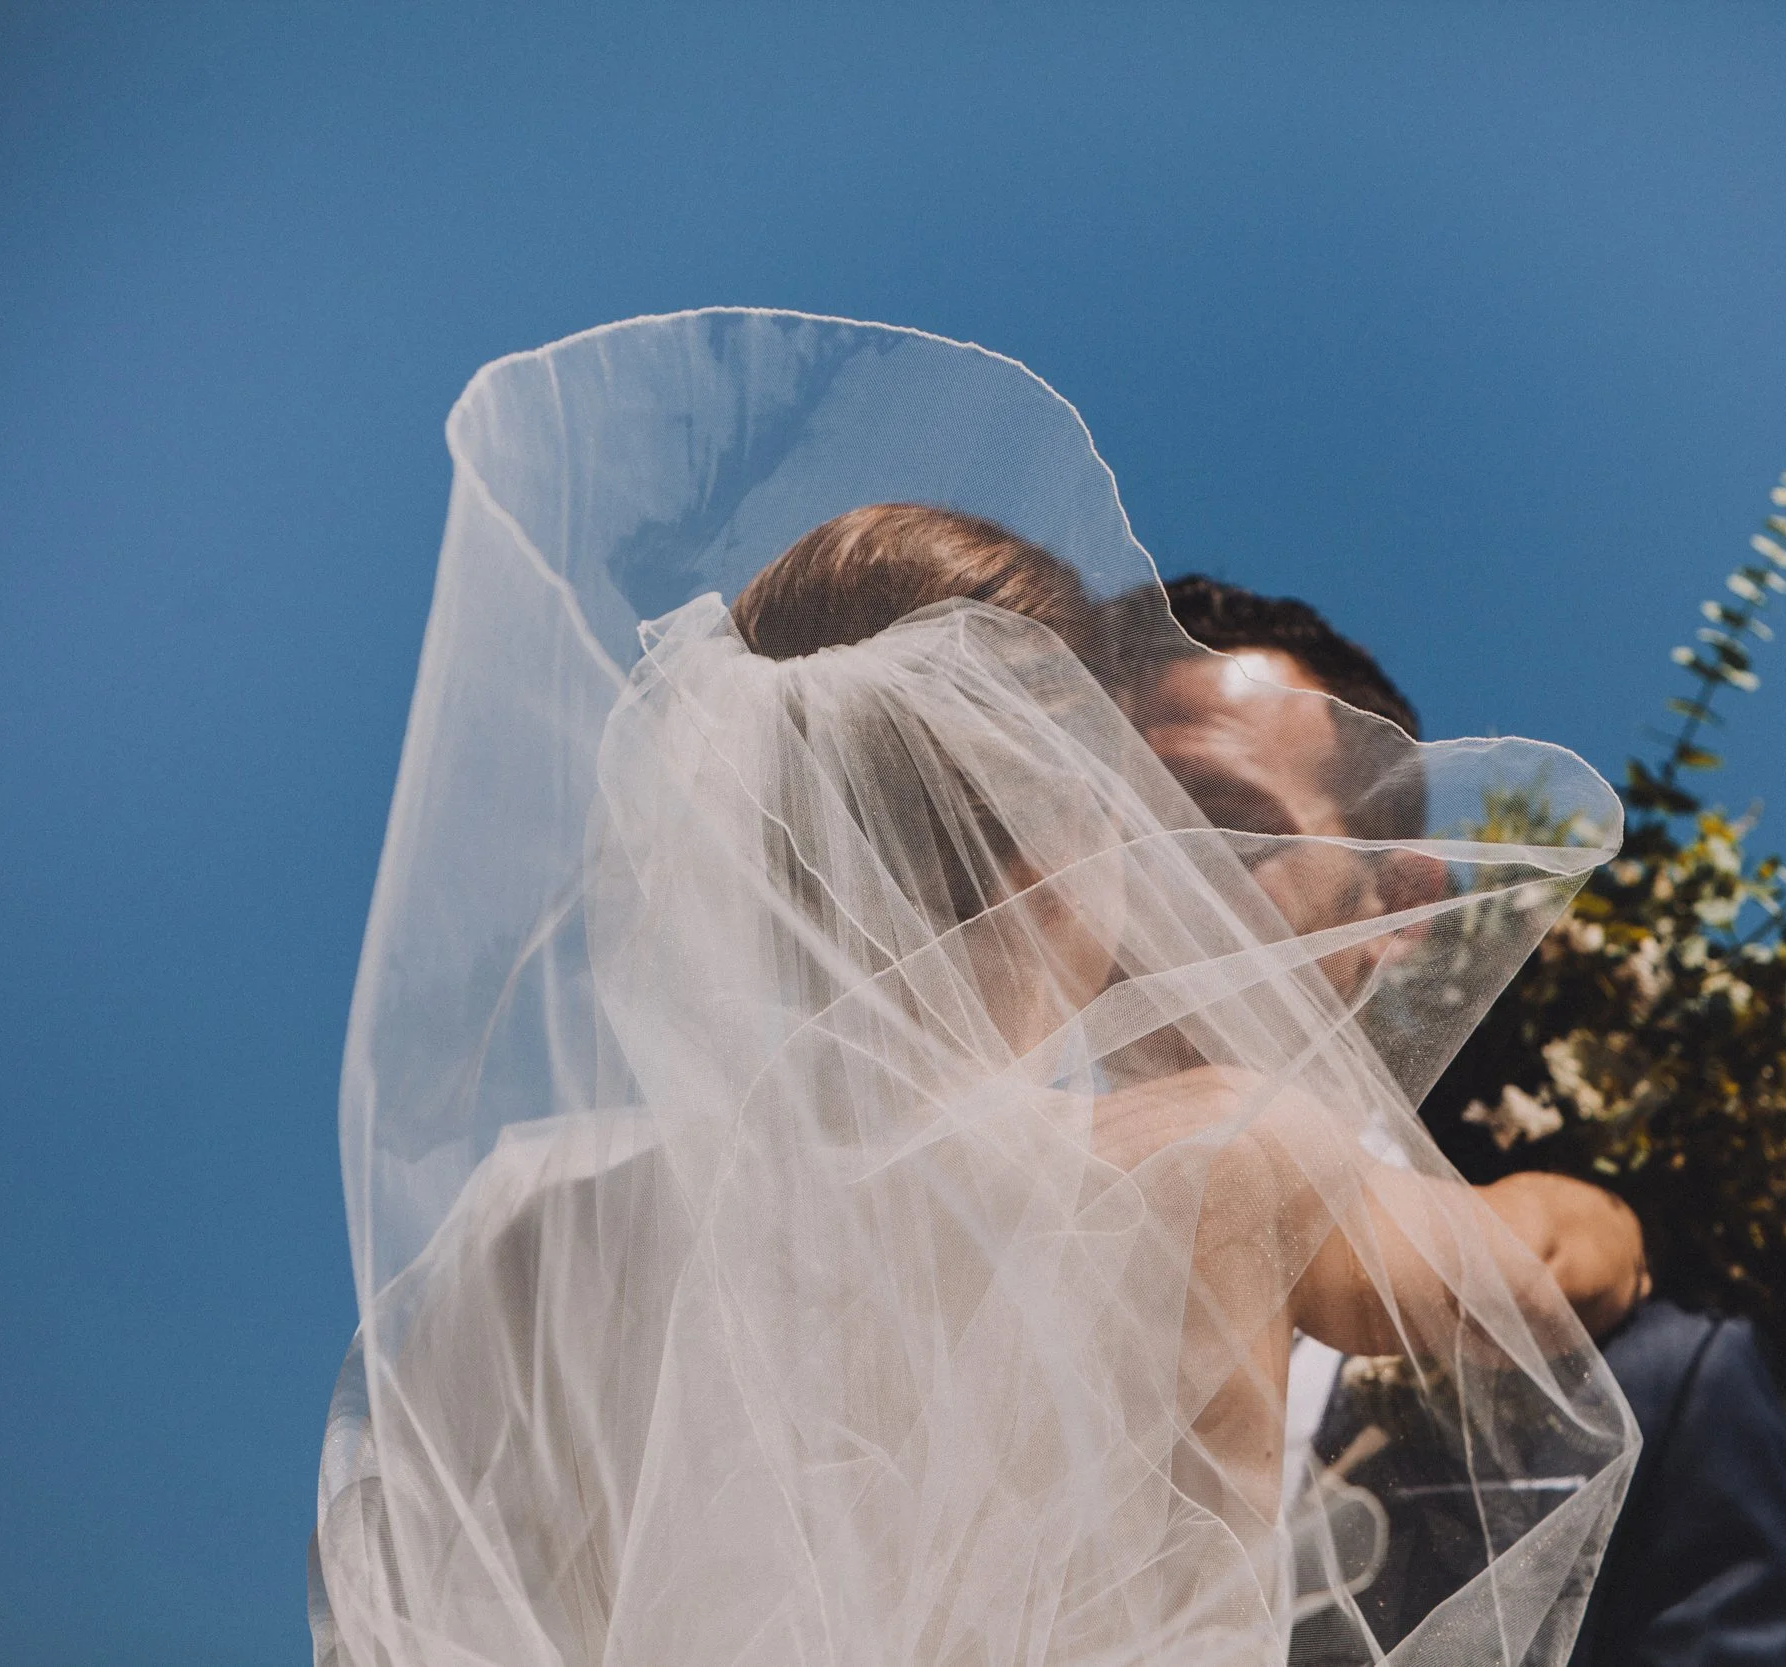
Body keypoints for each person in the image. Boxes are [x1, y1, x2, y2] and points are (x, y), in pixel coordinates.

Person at [313, 310, 1638, 1667]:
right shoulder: (1215, 1156)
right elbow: (1525, 1286)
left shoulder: (526, 1232)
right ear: (1071, 835)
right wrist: (1570, 1201)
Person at [1146, 574, 1786, 1667]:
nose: (1154, 883)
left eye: (1231, 826)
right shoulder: (909, 1278)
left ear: (1401, 908)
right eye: (1117, 825)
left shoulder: (1644, 1379)